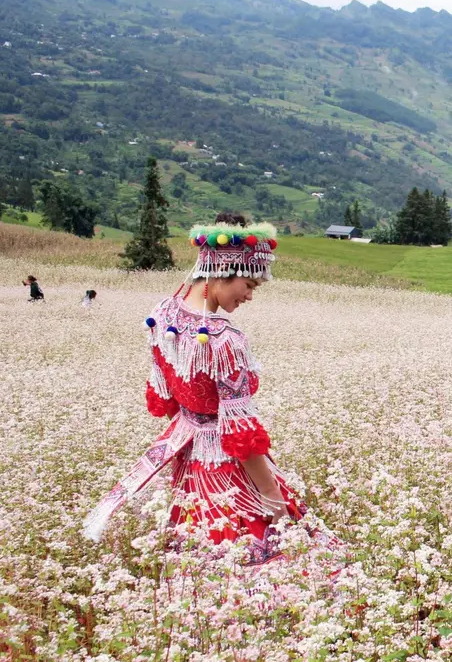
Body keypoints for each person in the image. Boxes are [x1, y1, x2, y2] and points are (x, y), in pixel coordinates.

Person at [83, 214, 317, 566]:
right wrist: (272, 497)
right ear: (224, 270)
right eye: (249, 285)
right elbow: (240, 435)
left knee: (199, 555)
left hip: (190, 456)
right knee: (260, 553)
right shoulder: (225, 340)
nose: (250, 296)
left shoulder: (161, 315)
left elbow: (164, 397)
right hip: (226, 465)